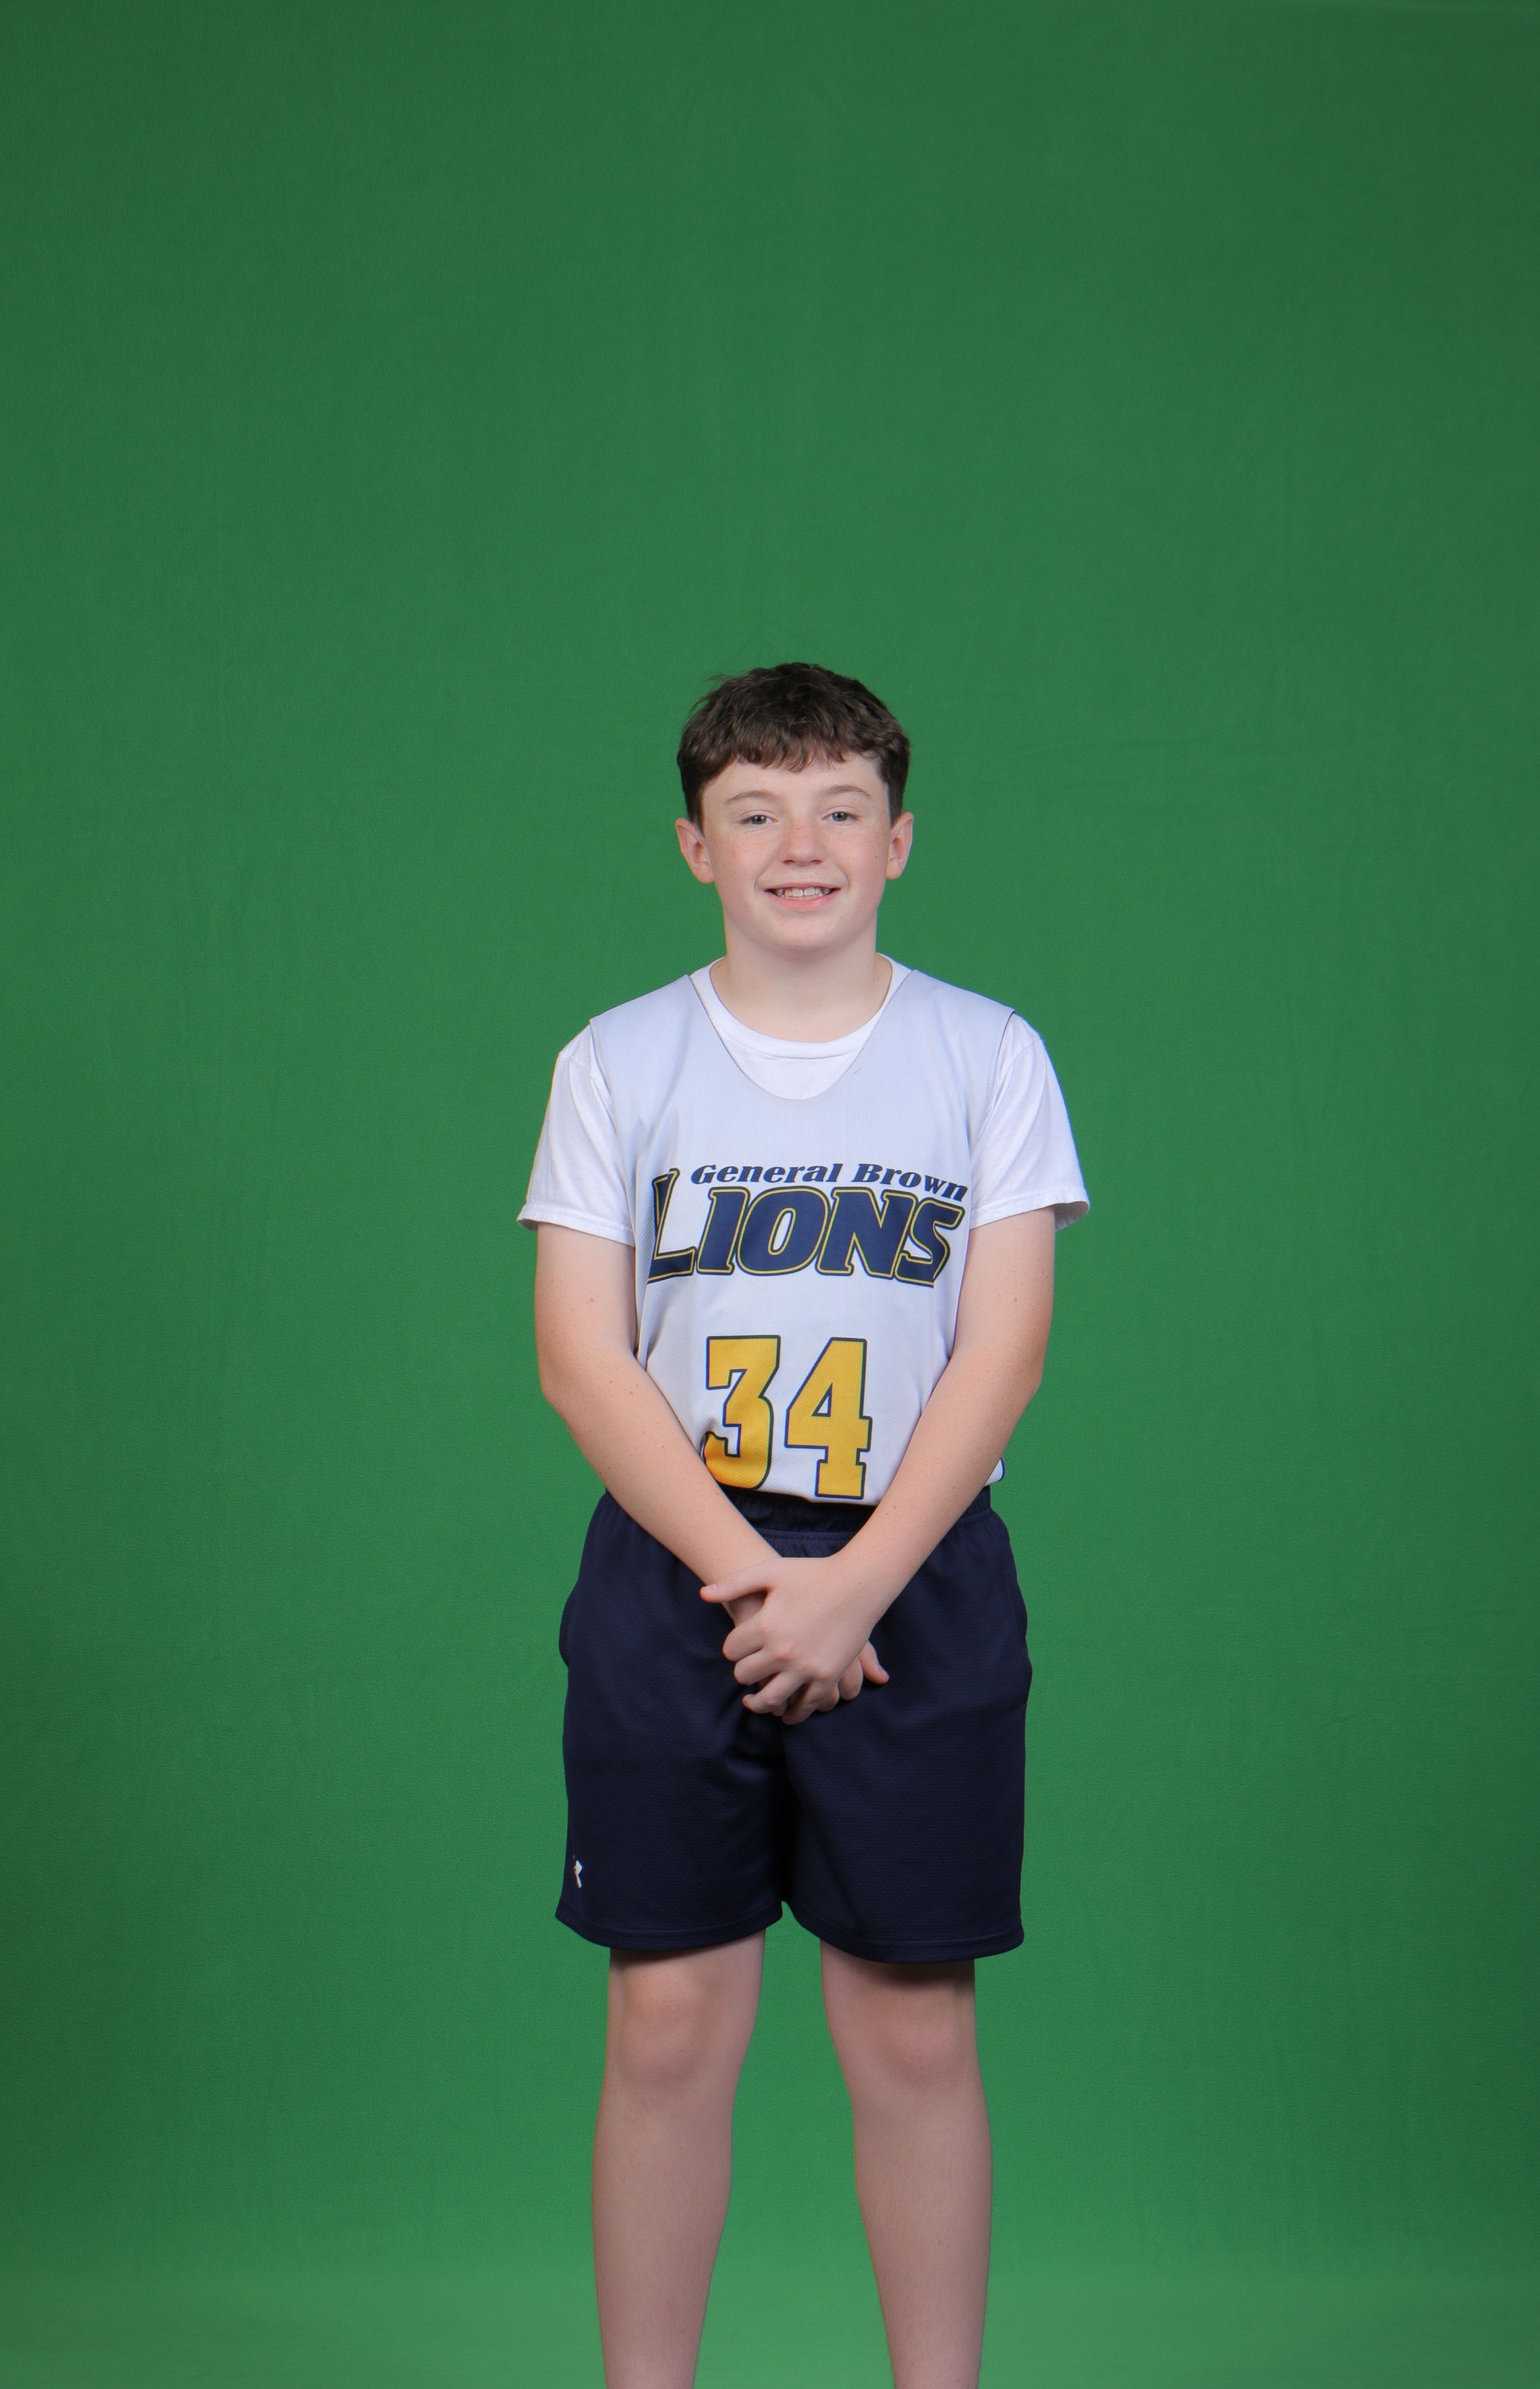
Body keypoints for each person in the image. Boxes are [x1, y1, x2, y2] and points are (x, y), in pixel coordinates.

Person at [521, 661, 1088, 2389]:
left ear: (898, 841)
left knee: (911, 2028)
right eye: (756, 812)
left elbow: (1004, 1348)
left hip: (914, 1561)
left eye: (842, 809)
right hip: (681, 1559)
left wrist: (857, 1587)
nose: (802, 844)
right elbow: (581, 1358)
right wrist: (756, 1578)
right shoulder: (619, 1060)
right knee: (668, 2020)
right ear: (695, 845)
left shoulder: (986, 1054)